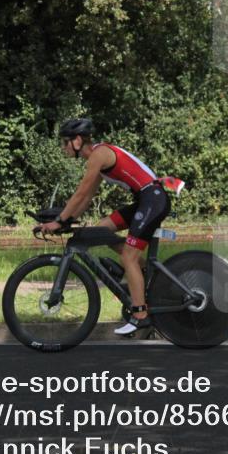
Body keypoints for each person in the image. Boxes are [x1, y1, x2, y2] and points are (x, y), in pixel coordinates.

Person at [37, 118, 172, 336]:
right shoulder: (98, 158)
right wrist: (71, 218)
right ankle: (144, 272)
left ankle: (140, 316)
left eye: (65, 142)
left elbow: (80, 193)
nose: (63, 147)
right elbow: (87, 197)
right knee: (102, 230)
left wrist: (60, 220)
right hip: (146, 199)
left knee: (128, 256)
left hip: (152, 199)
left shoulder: (98, 156)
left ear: (78, 141)